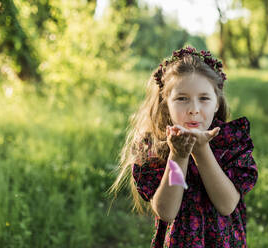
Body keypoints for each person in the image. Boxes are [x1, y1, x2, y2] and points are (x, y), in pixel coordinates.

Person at [109, 46, 258, 247]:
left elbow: (227, 204)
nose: (194, 110)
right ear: (166, 103)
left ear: (216, 103)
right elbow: (166, 212)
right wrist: (178, 155)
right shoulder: (156, 147)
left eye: (204, 98)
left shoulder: (229, 143)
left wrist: (201, 150)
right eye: (182, 99)